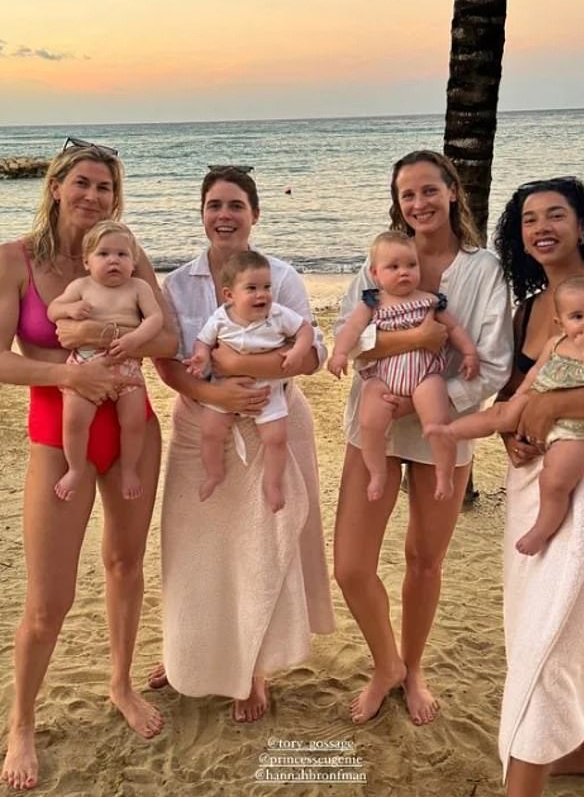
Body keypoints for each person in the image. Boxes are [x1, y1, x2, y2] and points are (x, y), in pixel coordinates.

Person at [0, 139, 177, 791]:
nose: (93, 195)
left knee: (126, 564)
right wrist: (68, 372)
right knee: (49, 600)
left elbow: (169, 338)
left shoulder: (125, 257)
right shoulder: (14, 260)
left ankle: (121, 682)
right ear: (55, 187)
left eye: (105, 186)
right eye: (82, 183)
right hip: (58, 436)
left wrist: (98, 339)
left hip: (133, 428)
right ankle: (21, 721)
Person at [333, 150, 513, 724]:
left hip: (445, 425)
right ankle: (385, 664)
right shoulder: (380, 261)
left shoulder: (482, 271)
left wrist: (422, 400)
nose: (419, 204)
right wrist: (415, 341)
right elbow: (348, 337)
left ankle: (413, 670)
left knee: (424, 561)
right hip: (374, 423)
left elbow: (491, 364)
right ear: (398, 202)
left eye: (429, 191)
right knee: (351, 566)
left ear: (452, 192)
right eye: (408, 195)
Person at [149, 166, 335, 722]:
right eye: (213, 205)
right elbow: (165, 360)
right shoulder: (178, 283)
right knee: (193, 548)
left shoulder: (279, 277)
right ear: (202, 213)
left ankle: (251, 668)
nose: (223, 215)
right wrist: (214, 393)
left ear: (255, 213)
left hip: (271, 420)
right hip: (198, 427)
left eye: (235, 205)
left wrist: (234, 367)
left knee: (261, 546)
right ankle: (191, 654)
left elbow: (310, 354)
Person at [492, 176, 584, 797]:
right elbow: (516, 395)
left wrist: (553, 411)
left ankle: (522, 786)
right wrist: (514, 434)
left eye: (556, 215)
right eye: (529, 219)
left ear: (583, 225)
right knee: (552, 618)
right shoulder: (528, 308)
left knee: (559, 623)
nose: (541, 227)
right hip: (537, 477)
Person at [426, 275, 584, 555]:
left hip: (583, 427)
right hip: (538, 400)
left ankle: (542, 529)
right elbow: (535, 373)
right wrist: (521, 396)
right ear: (561, 322)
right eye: (578, 316)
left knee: (555, 478)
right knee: (499, 412)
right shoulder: (556, 343)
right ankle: (450, 432)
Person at [328, 230, 479, 502]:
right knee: (369, 422)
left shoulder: (430, 301)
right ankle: (377, 473)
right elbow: (351, 330)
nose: (404, 272)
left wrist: (468, 352)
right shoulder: (372, 302)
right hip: (383, 376)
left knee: (438, 422)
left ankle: (444, 473)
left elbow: (453, 328)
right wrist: (339, 353)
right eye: (393, 267)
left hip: (425, 375)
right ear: (375, 273)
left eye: (411, 265)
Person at [48, 220, 164, 501]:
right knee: (74, 421)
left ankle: (129, 469)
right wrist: (71, 308)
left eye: (122, 255)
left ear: (134, 261)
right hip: (85, 363)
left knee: (134, 422)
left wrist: (135, 340)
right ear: (87, 261)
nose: (114, 260)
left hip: (126, 364)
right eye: (103, 254)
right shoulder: (81, 286)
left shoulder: (138, 288)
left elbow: (155, 318)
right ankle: (75, 468)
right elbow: (53, 310)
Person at [189, 249, 314, 509]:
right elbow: (203, 341)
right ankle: (214, 473)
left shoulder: (278, 315)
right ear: (229, 295)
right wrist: (200, 357)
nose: (262, 294)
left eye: (267, 287)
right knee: (211, 431)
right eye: (252, 288)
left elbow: (305, 329)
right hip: (224, 386)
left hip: (266, 390)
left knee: (276, 438)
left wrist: (298, 351)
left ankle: (272, 484)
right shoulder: (221, 318)